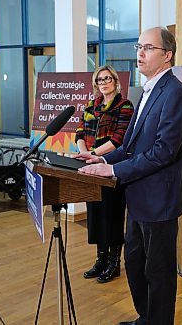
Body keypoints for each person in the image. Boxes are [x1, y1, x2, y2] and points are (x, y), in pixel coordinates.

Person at [76, 27, 182, 325]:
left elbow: (164, 151)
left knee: (159, 270)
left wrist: (113, 170)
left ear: (167, 55)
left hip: (159, 200)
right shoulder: (146, 90)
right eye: (139, 46)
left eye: (148, 48)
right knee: (135, 261)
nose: (140, 52)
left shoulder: (175, 93)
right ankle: (146, 318)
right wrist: (100, 157)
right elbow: (129, 145)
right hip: (138, 195)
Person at [75, 65, 134, 283]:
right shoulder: (92, 106)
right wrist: (84, 154)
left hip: (111, 166)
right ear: (96, 84)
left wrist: (94, 155)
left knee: (113, 215)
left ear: (116, 82)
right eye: (100, 80)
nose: (104, 82)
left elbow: (119, 139)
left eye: (108, 78)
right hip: (91, 165)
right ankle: (100, 260)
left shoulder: (125, 106)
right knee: (96, 215)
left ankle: (114, 263)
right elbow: (80, 132)